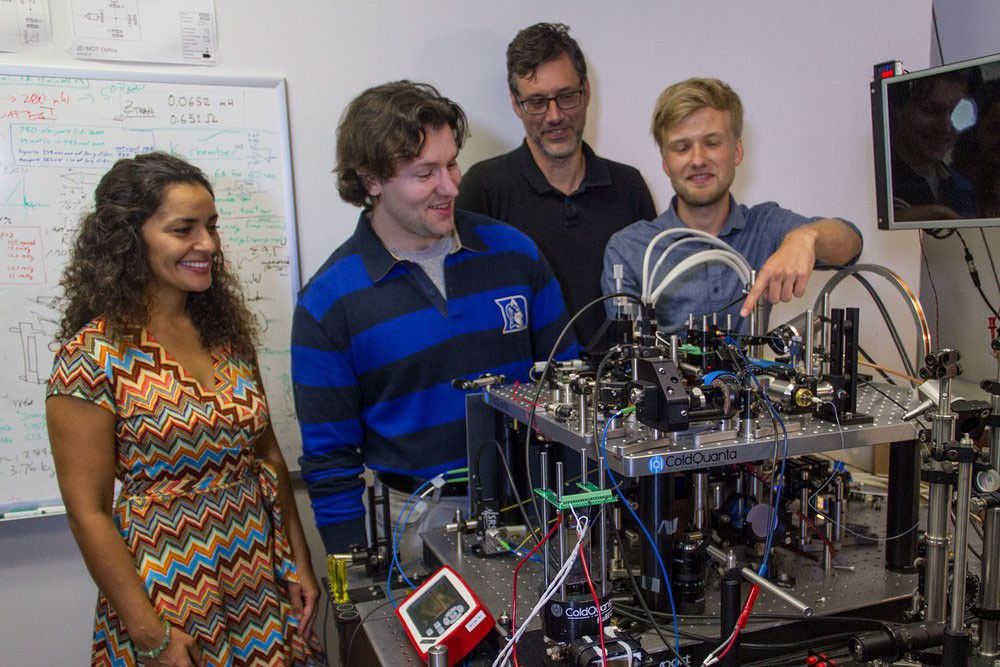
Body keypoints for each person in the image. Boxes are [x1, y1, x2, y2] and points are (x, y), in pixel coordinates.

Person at [46, 153, 323, 666]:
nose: (208, 245)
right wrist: (150, 634)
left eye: (212, 227)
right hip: (167, 590)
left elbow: (267, 455)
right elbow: (88, 514)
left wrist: (300, 562)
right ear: (130, 238)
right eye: (184, 229)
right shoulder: (92, 355)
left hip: (257, 571)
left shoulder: (224, 334)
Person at [292, 81, 576, 554]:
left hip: (530, 510)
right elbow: (329, 463)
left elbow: (569, 385)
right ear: (372, 181)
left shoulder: (516, 253)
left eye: (451, 163)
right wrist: (353, 571)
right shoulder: (327, 303)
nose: (451, 186)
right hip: (414, 524)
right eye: (425, 173)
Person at [602, 77, 863, 333]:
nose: (698, 160)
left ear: (737, 151)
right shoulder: (631, 249)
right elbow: (626, 356)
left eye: (712, 143)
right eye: (681, 148)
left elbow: (851, 243)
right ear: (665, 163)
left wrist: (807, 237)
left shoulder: (766, 228)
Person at [457, 22, 656, 346]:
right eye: (536, 102)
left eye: (566, 97)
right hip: (521, 391)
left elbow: (652, 302)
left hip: (621, 389)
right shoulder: (483, 188)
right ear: (515, 103)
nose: (554, 116)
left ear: (587, 91)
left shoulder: (628, 187)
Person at [889, 70, 977, 222]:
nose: (946, 127)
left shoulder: (962, 186)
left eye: (958, 113)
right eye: (931, 110)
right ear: (898, 109)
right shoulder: (880, 185)